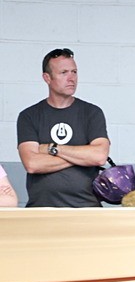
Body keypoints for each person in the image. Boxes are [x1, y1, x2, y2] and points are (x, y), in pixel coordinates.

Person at [16, 48, 111, 207]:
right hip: (42, 209)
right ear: (47, 78)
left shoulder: (92, 113)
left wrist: (52, 148)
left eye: (74, 72)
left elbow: (99, 157)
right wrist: (82, 156)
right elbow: (32, 164)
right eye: (64, 72)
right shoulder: (29, 116)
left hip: (87, 210)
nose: (71, 78)